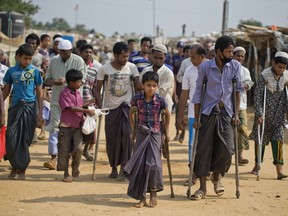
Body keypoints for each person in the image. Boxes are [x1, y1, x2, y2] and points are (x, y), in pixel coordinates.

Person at [190, 36, 243, 200]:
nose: (231, 54)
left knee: (228, 149)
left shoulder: (235, 66)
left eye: (232, 51)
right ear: (218, 52)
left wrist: (235, 113)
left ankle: (217, 175)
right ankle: (202, 188)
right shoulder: (205, 67)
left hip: (226, 112)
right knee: (204, 150)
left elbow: (237, 90)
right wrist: (197, 117)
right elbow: (198, 93)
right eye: (228, 52)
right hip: (207, 112)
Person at [123, 71, 170, 208]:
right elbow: (131, 112)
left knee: (154, 164)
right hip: (141, 133)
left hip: (155, 134)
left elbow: (166, 113)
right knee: (141, 165)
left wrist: (166, 131)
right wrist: (133, 130)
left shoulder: (160, 100)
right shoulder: (137, 99)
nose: (151, 88)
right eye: (148, 85)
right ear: (143, 85)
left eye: (154, 85)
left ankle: (153, 192)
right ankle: (142, 197)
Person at [95, 42, 140, 181]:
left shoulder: (132, 67)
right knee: (112, 139)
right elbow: (96, 89)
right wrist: (100, 105)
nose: (126, 59)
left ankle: (124, 168)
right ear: (115, 55)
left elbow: (137, 86)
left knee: (127, 136)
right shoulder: (104, 69)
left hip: (126, 107)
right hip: (110, 108)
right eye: (123, 56)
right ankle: (114, 167)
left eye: (127, 56)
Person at [2, 44, 43, 180]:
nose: (27, 61)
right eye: (25, 58)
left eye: (30, 59)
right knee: (12, 139)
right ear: (18, 57)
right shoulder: (11, 71)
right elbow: (6, 92)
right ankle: (14, 167)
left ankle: (22, 169)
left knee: (25, 139)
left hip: (29, 108)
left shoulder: (36, 72)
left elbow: (39, 93)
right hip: (14, 108)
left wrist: (40, 113)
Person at [44, 39, 86, 170]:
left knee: (72, 129)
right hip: (57, 99)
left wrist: (66, 81)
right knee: (55, 126)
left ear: (71, 51)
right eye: (61, 52)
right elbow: (47, 79)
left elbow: (82, 80)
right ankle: (53, 158)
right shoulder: (54, 60)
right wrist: (54, 82)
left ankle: (71, 158)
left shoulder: (78, 61)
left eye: (66, 53)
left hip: (73, 101)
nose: (63, 55)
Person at [249, 51, 288, 180]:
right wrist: (259, 113)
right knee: (260, 140)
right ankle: (257, 165)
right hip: (265, 113)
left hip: (279, 113)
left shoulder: (286, 76)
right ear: (273, 63)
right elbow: (259, 95)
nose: (281, 70)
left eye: (284, 68)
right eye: (279, 67)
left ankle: (279, 170)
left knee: (278, 141)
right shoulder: (264, 75)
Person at [176, 44, 207, 185]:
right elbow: (184, 94)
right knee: (192, 145)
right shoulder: (189, 70)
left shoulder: (211, 69)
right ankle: (193, 173)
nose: (191, 59)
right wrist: (179, 116)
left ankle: (207, 173)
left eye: (193, 57)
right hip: (193, 114)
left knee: (207, 145)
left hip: (210, 113)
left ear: (202, 57)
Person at [58, 69, 95, 183]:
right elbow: (71, 108)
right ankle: (66, 173)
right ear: (71, 83)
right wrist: (85, 110)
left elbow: (78, 105)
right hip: (66, 126)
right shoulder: (64, 93)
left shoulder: (77, 93)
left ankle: (75, 166)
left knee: (78, 148)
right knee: (64, 150)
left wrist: (89, 103)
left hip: (77, 126)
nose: (81, 84)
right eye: (79, 82)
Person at [80, 44, 102, 161]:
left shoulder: (96, 68)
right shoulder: (76, 66)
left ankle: (86, 150)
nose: (88, 54)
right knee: (77, 128)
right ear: (80, 52)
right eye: (86, 52)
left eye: (90, 52)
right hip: (76, 102)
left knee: (90, 127)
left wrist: (97, 102)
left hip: (89, 101)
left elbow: (96, 88)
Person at [233, 46, 254, 165]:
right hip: (228, 105)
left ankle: (240, 156)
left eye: (242, 56)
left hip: (241, 105)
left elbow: (249, 82)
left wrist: (245, 85)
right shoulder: (228, 68)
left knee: (242, 129)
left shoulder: (245, 70)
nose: (240, 58)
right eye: (238, 55)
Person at [141, 44, 174, 113]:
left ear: (165, 57)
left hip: (163, 109)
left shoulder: (168, 73)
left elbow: (161, 93)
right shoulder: (146, 70)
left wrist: (147, 89)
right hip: (146, 109)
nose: (158, 60)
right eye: (155, 58)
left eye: (161, 58)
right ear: (152, 55)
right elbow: (141, 88)